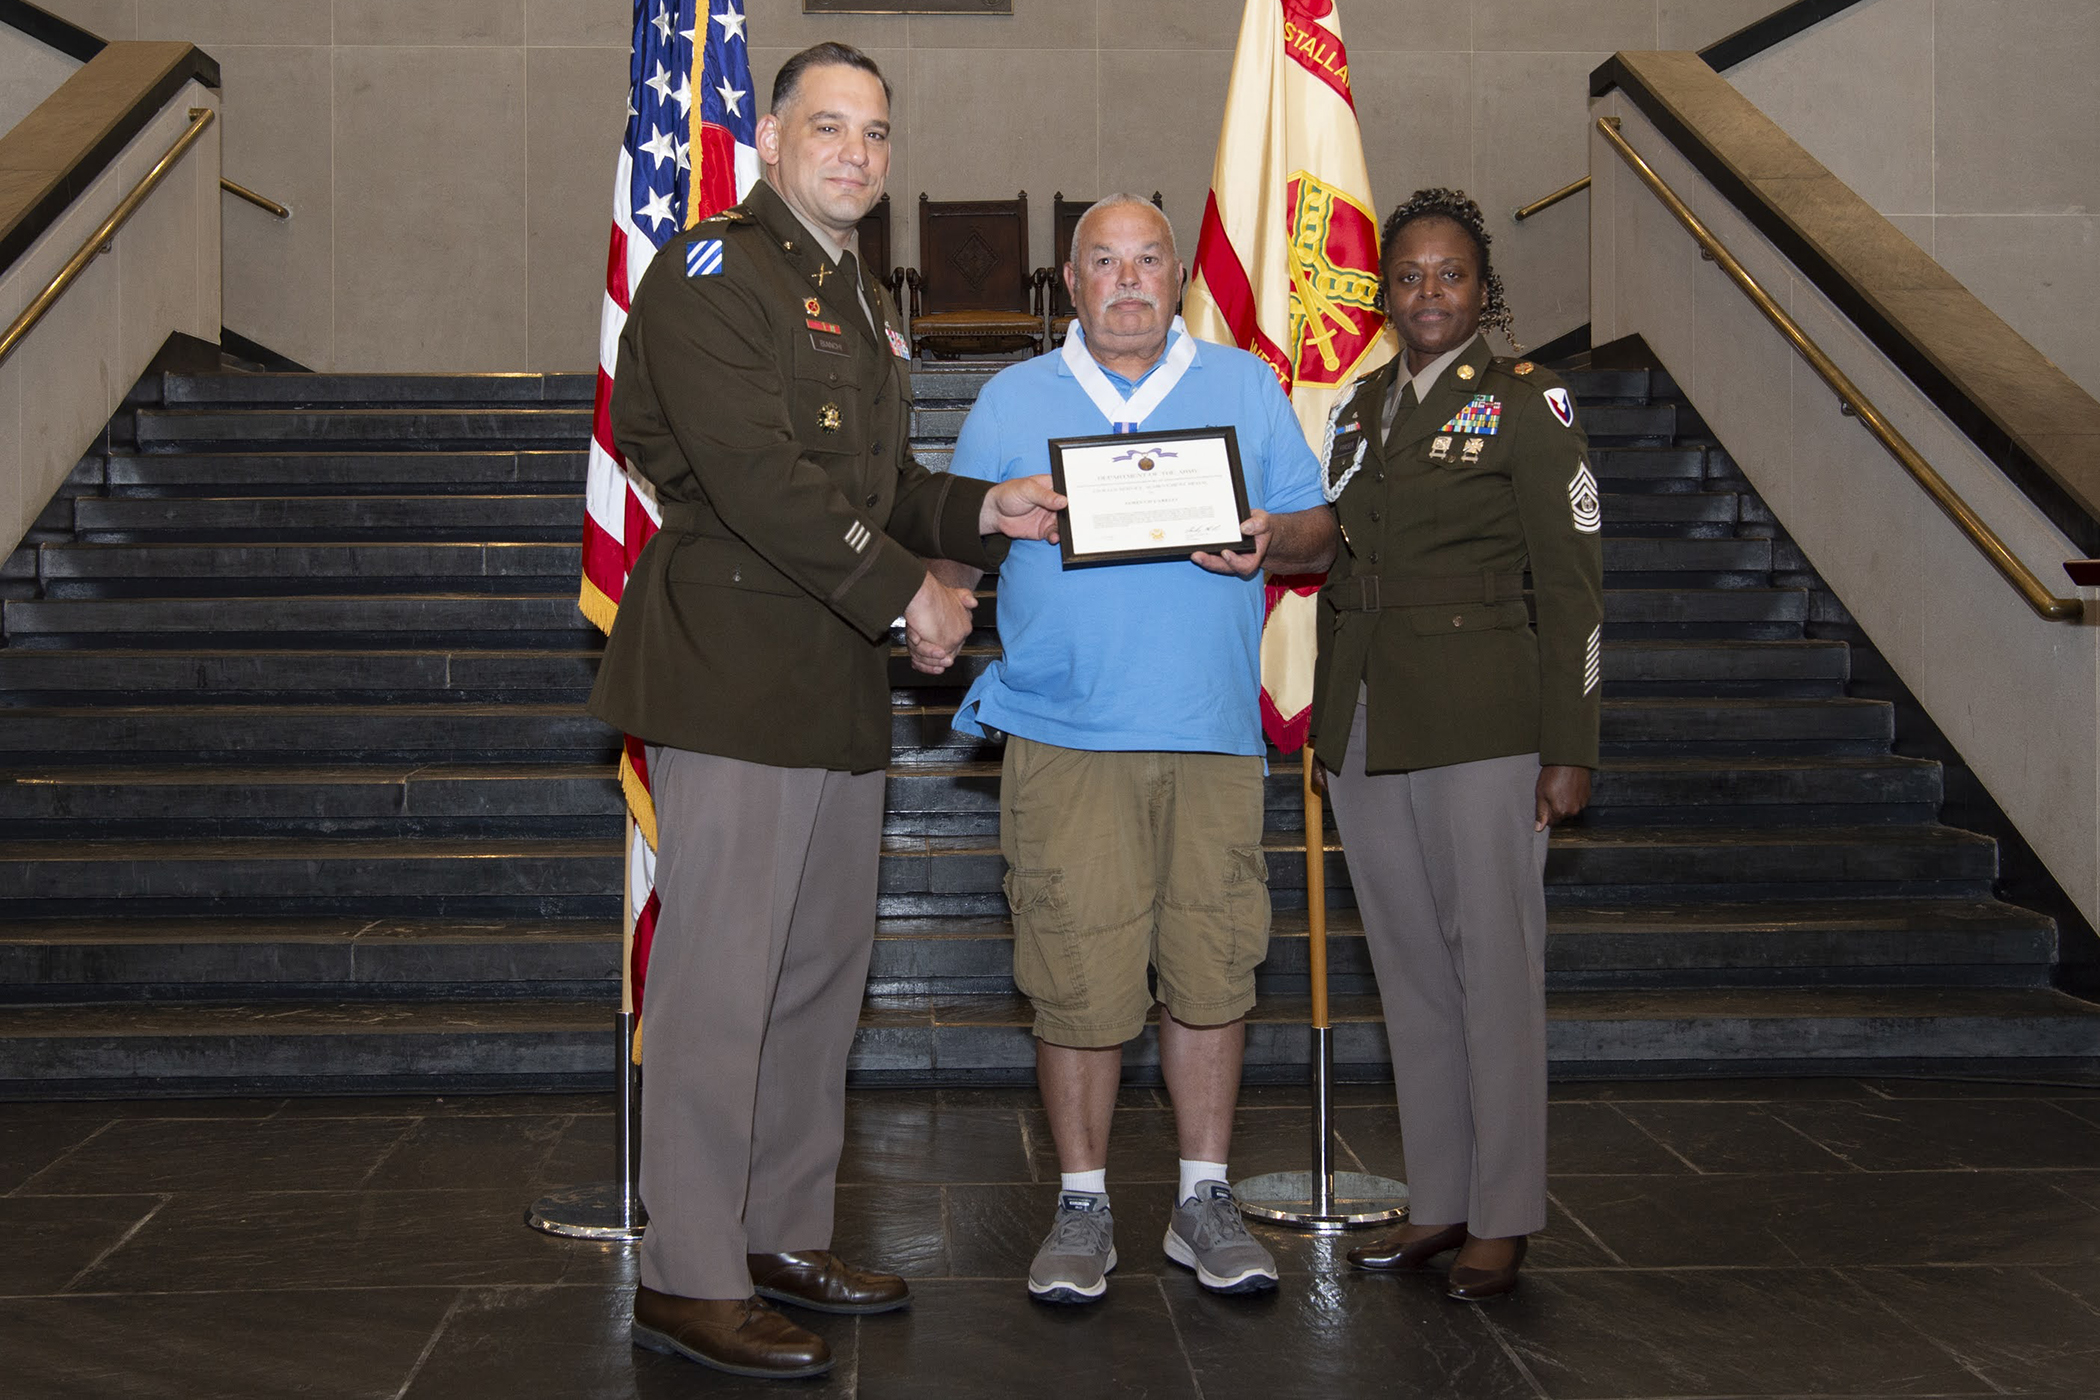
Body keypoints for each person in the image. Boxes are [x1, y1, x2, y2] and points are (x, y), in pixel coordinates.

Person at [588, 43, 1064, 1378]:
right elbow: (756, 478)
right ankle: (685, 1273)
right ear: (776, 141)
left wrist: (984, 515)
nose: (857, 152)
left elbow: (880, 477)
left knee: (812, 984)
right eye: (831, 127)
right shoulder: (710, 272)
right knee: (715, 991)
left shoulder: (852, 295)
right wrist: (908, 592)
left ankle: (778, 1234)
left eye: (878, 132)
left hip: (830, 683)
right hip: (736, 674)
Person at [936, 195, 1337, 1305]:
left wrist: (1269, 539)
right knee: (1074, 973)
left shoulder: (1244, 387)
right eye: (1102, 261)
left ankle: (1203, 1198)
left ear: (1178, 277)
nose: (1126, 280)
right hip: (1065, 735)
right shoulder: (1015, 397)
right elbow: (955, 547)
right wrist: (935, 601)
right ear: (1070, 282)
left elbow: (1320, 532)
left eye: (1147, 259)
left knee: (1213, 965)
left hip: (1210, 733)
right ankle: (1082, 1204)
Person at [1300, 188, 1603, 1301]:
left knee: (1495, 968)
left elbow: (1574, 588)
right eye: (1411, 276)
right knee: (1412, 968)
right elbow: (1337, 560)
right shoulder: (1360, 404)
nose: (1430, 293)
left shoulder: (1530, 400)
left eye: (1453, 275)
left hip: (1485, 720)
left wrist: (1569, 745)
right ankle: (1439, 1197)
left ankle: (1506, 1213)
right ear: (1385, 293)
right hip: (1372, 720)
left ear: (1485, 290)